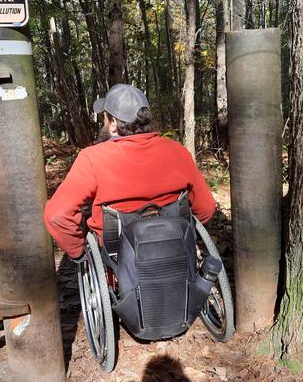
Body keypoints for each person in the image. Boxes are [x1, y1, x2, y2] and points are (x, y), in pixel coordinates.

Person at [44, 84, 216, 261]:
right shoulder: (176, 151)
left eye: (104, 117)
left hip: (119, 257)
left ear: (113, 123)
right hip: (174, 247)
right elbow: (207, 208)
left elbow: (57, 215)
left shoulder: (92, 158)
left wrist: (78, 252)